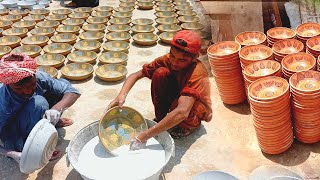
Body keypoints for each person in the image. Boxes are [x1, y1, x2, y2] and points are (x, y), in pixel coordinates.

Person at [107, 30, 212, 150]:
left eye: (182, 60)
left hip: (194, 105)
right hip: (178, 94)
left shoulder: (197, 72)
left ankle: (190, 126)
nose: (174, 62)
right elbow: (136, 75)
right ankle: (162, 118)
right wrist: (121, 96)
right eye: (172, 55)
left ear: (194, 58)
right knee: (160, 73)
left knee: (181, 110)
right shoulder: (166, 60)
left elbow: (182, 112)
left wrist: (144, 136)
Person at [0, 54, 80, 160]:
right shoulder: (3, 100)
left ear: (34, 75)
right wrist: (11, 153)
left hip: (32, 113)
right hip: (14, 131)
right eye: (18, 88)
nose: (27, 91)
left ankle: (50, 121)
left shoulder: (39, 77)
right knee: (38, 102)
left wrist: (55, 109)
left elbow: (72, 92)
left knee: (59, 89)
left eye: (31, 85)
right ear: (7, 84)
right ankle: (33, 147)